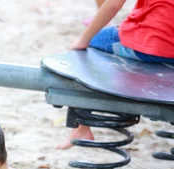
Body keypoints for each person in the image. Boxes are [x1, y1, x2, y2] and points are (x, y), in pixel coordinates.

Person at [58, 0, 174, 149]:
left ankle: (81, 128)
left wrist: (83, 40)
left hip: (149, 42)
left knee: (82, 51)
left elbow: (113, 5)